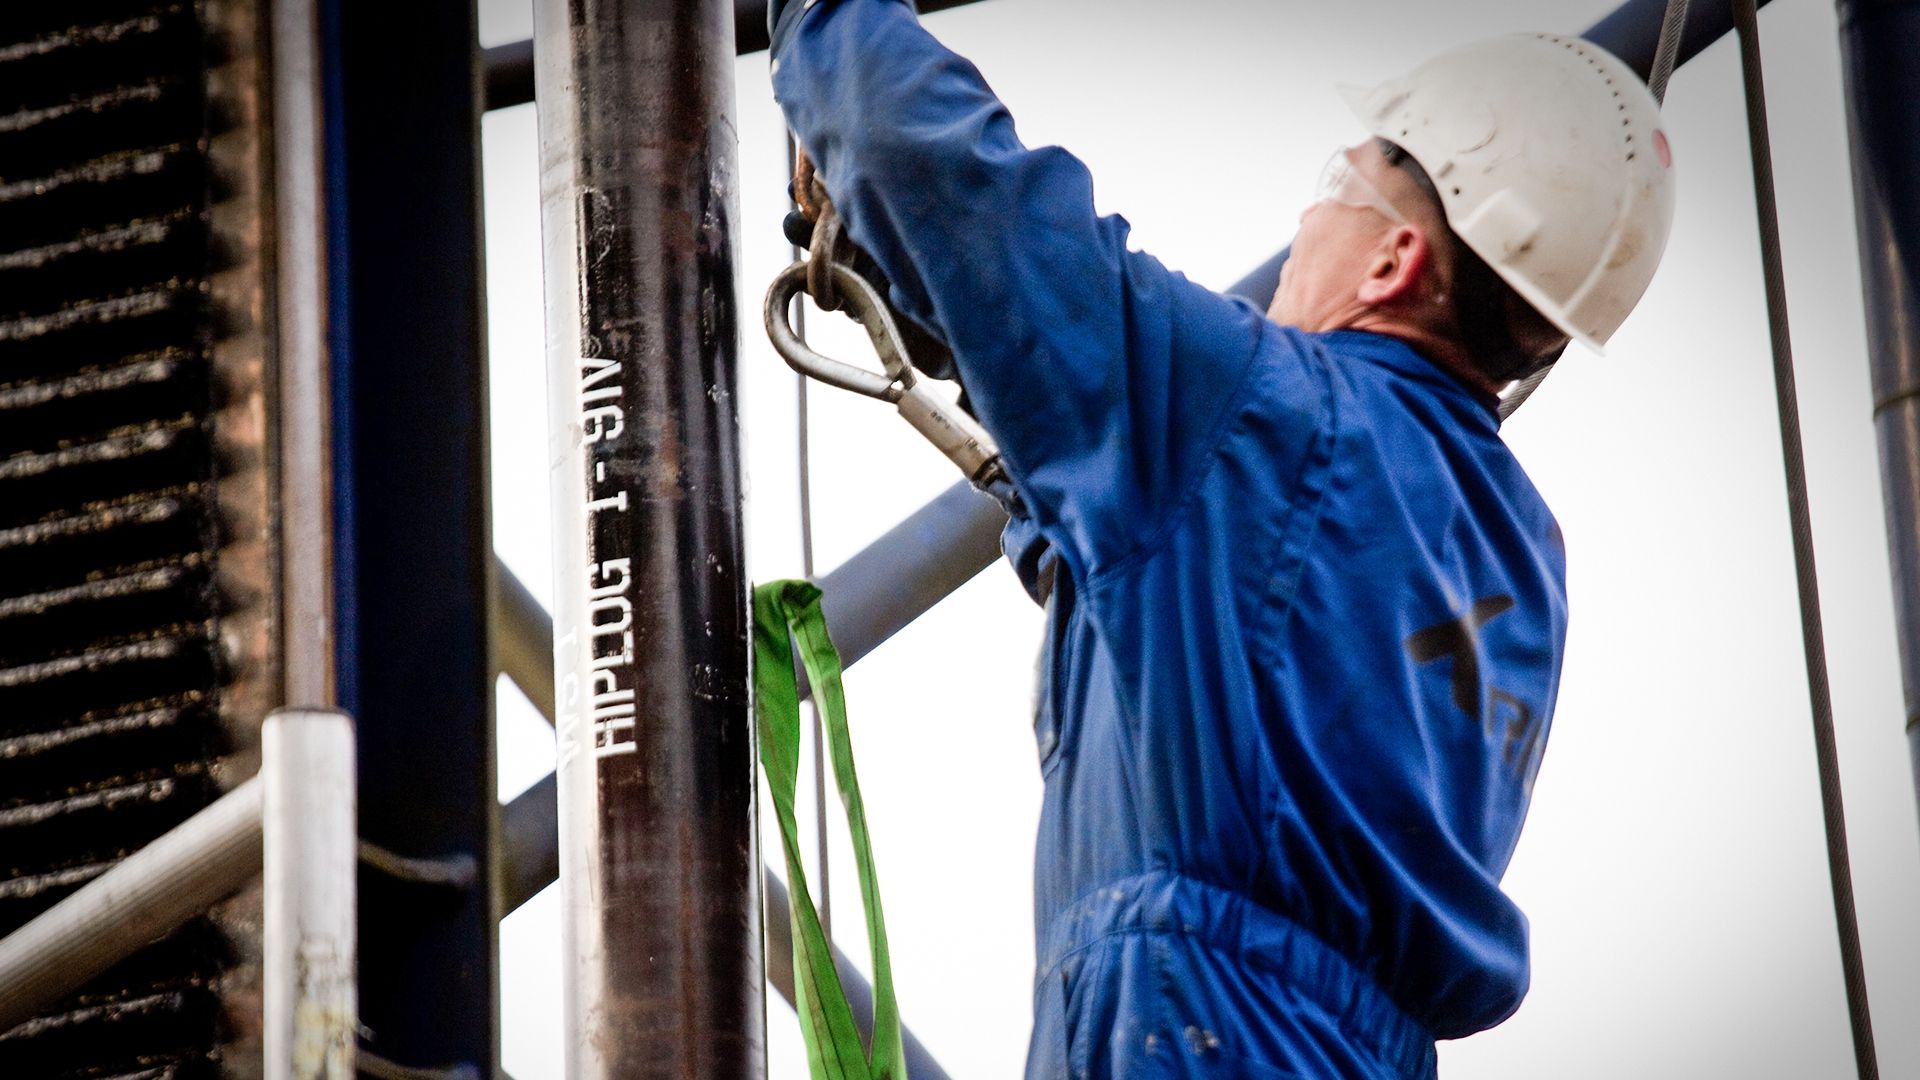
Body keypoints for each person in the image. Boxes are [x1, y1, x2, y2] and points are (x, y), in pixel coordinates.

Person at [768, 4, 1677, 1077]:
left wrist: (819, 17)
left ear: (1392, 261)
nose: (1307, 219)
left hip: (1193, 1027)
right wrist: (955, 332)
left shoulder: (1260, 417)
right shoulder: (1517, 554)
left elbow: (920, 150)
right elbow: (1154, 593)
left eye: (1335, 189)